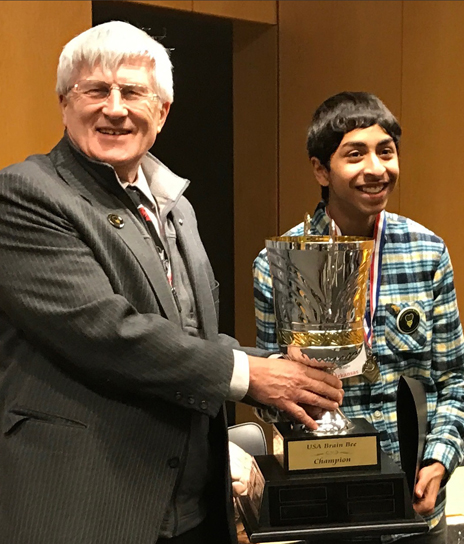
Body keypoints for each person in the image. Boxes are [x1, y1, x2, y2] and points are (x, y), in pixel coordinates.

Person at [0, 22, 344, 544]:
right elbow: (105, 332)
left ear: (161, 111)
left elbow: (188, 335)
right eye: (95, 90)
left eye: (134, 92)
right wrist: (251, 377)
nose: (115, 108)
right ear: (65, 103)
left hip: (190, 510)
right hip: (86, 503)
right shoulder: (25, 194)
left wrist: (277, 373)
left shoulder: (175, 206)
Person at [253, 91, 464, 543]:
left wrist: (440, 458)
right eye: (355, 154)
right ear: (320, 169)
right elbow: (269, 395)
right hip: (325, 512)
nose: (376, 169)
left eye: (386, 152)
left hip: (412, 510)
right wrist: (288, 373)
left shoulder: (427, 252)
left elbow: (454, 379)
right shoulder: (279, 264)